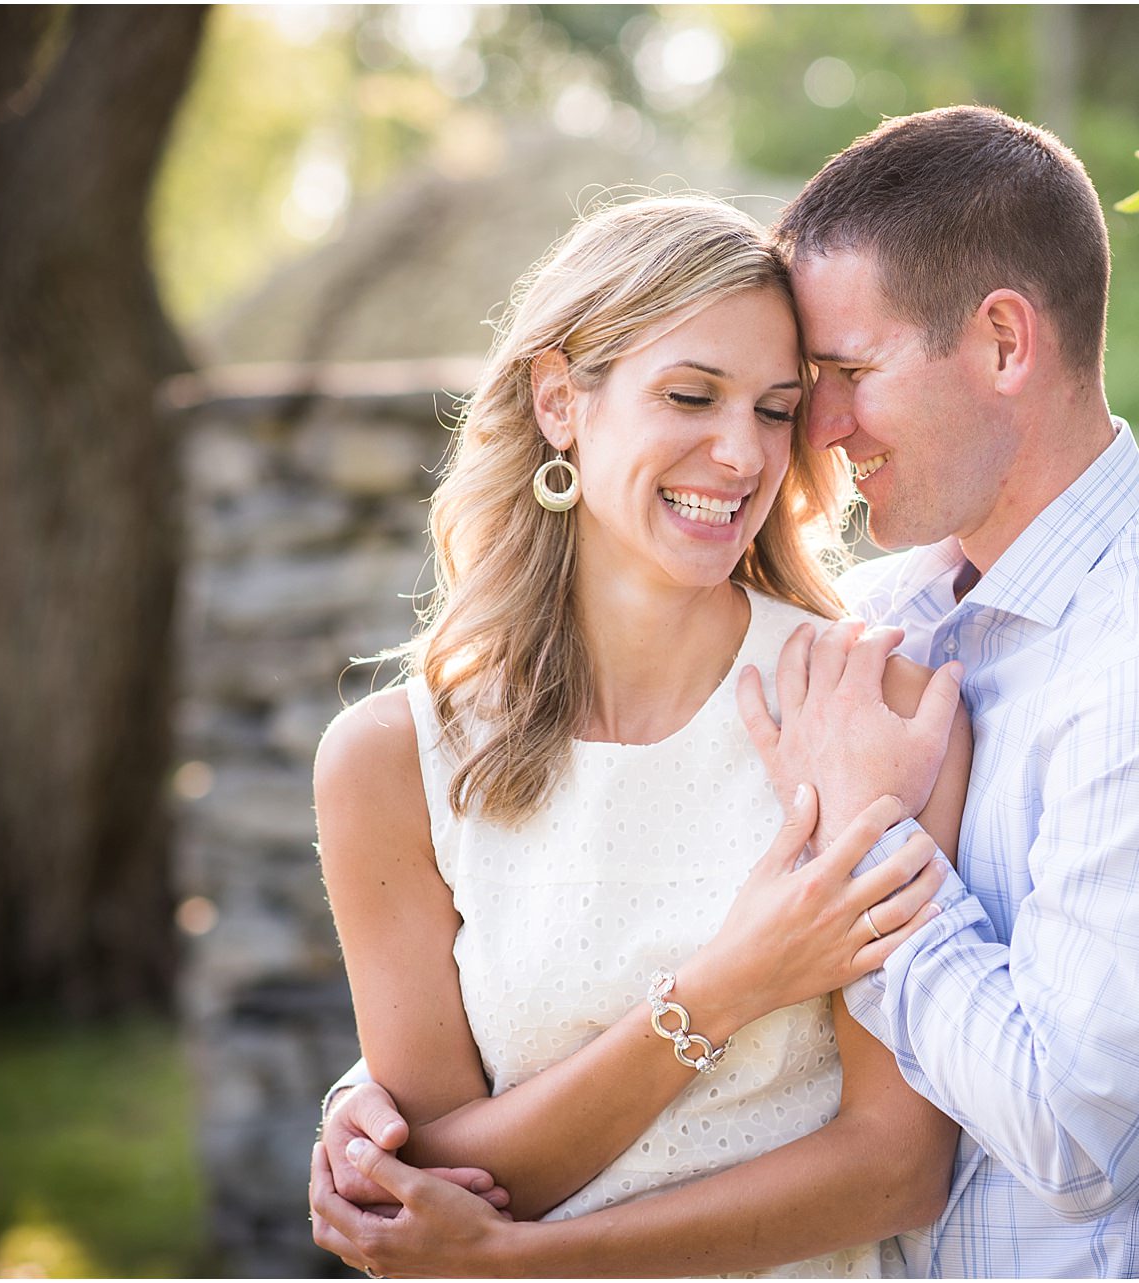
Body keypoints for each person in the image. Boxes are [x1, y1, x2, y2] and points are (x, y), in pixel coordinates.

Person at [316, 106, 1139, 1279]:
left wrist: (860, 863)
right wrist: (376, 1114)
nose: (803, 437)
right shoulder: (902, 617)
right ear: (562, 401)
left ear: (1006, 344)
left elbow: (1075, 1134)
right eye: (798, 386)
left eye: (830, 379)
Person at [307, 195, 973, 1278]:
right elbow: (435, 1169)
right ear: (561, 401)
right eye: (690, 395)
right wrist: (729, 984)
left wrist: (522, 1261)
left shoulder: (866, 703)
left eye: (773, 408)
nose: (740, 451)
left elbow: (894, 1164)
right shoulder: (389, 759)